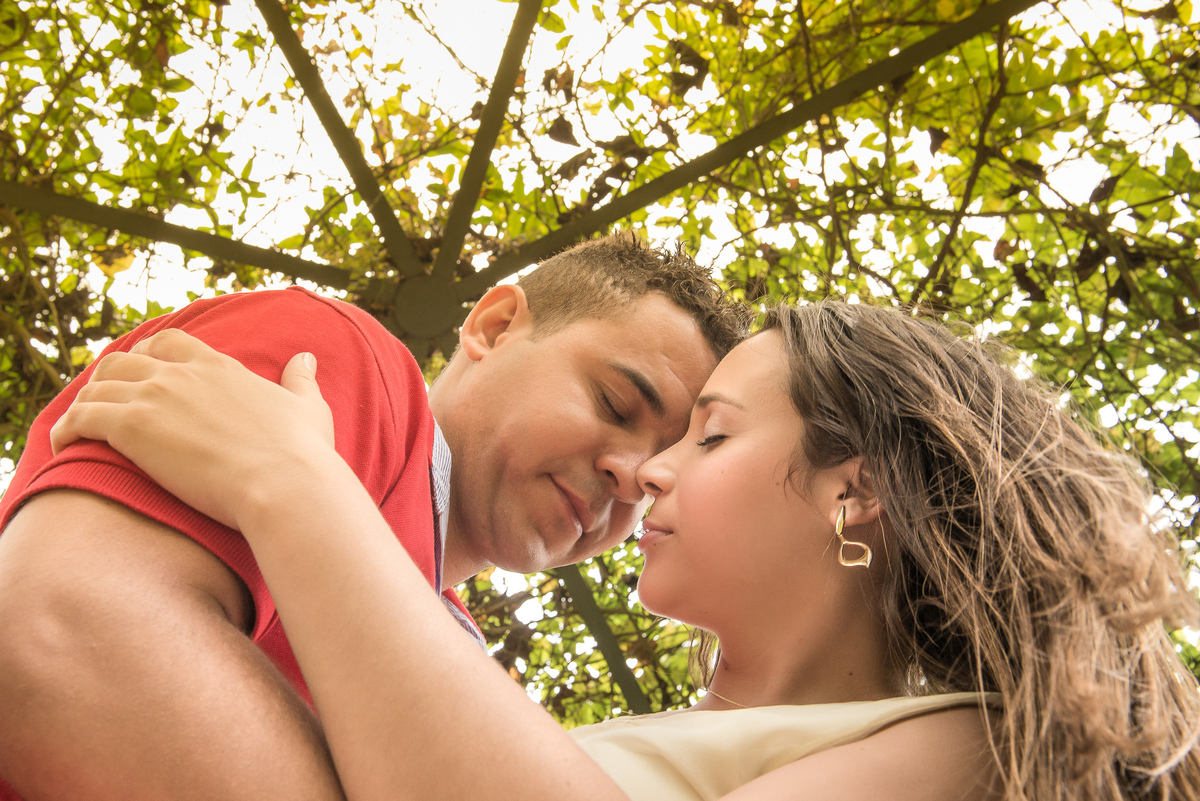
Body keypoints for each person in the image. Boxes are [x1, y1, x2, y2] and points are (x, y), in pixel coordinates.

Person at [45, 299, 1200, 800]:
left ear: (857, 497)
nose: (644, 472)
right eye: (637, 408)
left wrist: (294, 489)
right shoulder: (342, 371)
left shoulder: (975, 749)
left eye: (713, 433)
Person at [0, 232, 749, 800]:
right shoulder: (342, 364)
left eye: (654, 481)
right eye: (616, 404)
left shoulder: (449, 648)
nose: (628, 476)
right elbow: (55, 636)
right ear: (492, 326)